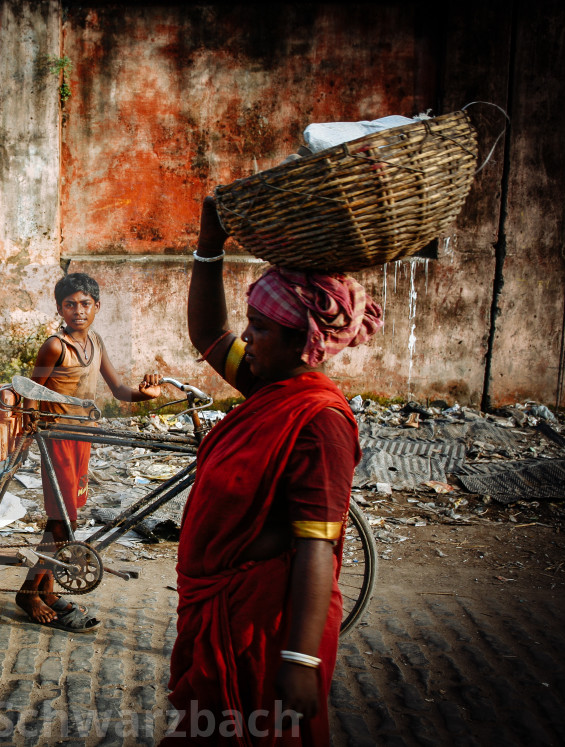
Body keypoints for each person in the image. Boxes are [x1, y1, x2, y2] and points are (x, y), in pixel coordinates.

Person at [164, 196, 382, 744]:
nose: (247, 338)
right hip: (223, 610)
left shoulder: (319, 422)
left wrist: (300, 658)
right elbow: (209, 334)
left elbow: (318, 545)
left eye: (259, 328)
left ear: (302, 341)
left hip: (264, 629)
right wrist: (209, 246)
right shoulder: (271, 385)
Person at [16, 272, 162, 631]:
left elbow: (119, 391)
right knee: (61, 520)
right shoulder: (55, 346)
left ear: (97, 307)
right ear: (59, 308)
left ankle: (46, 589)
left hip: (83, 438)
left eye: (85, 304)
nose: (78, 311)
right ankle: (28, 592)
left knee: (69, 518)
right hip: (57, 439)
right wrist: (25, 433)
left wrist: (146, 395)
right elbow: (29, 394)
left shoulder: (96, 342)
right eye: (70, 304)